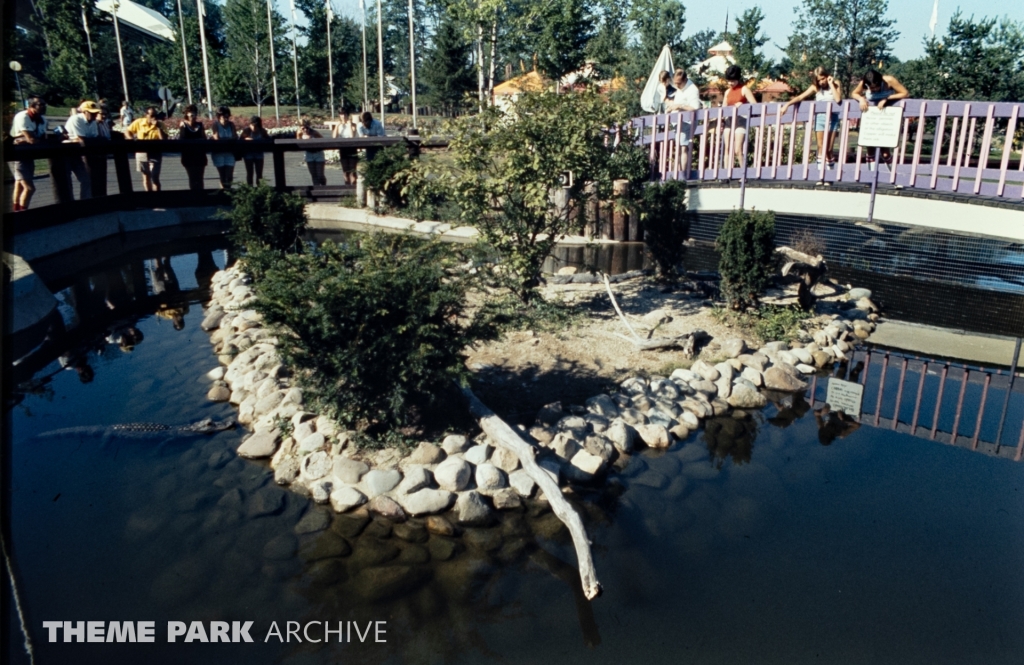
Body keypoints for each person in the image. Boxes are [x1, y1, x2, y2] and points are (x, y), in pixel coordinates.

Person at [781, 66, 844, 170]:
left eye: (823, 78)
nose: (821, 82)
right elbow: (800, 97)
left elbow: (838, 99)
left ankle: (830, 174)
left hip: (833, 118)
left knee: (828, 149)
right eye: (818, 80)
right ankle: (820, 175)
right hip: (820, 118)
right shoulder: (815, 87)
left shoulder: (836, 83)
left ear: (827, 76)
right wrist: (787, 105)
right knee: (820, 147)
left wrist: (831, 83)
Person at [851, 69, 909, 164]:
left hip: (886, 117)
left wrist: (887, 98)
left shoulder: (889, 80)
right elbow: (854, 93)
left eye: (875, 87)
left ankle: (892, 172)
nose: (873, 90)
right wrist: (861, 98)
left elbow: (905, 93)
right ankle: (871, 175)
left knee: (885, 152)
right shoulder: (864, 83)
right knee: (870, 149)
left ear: (880, 81)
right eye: (871, 88)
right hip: (871, 117)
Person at [10, 95, 49, 211]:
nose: (43, 107)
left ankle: (16, 210)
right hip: (17, 154)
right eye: (40, 105)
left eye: (44, 104)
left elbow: (41, 138)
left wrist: (32, 140)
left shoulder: (43, 120)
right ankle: (22, 212)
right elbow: (31, 139)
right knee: (29, 188)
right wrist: (31, 139)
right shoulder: (23, 116)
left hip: (29, 154)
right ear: (31, 106)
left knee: (19, 184)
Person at [720, 65, 757, 170]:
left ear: (738, 79)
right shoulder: (727, 92)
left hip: (741, 120)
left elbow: (754, 104)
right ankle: (726, 174)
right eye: (729, 81)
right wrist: (721, 121)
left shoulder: (744, 89)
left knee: (737, 149)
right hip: (729, 120)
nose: (731, 83)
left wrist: (743, 104)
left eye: (733, 81)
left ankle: (743, 172)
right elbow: (724, 107)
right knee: (727, 148)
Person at [664, 68, 702, 170]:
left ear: (685, 80)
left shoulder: (692, 90)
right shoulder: (680, 89)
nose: (676, 85)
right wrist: (671, 107)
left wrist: (680, 106)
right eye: (675, 83)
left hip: (687, 121)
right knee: (679, 148)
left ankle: (683, 174)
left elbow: (695, 108)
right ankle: (679, 172)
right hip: (677, 121)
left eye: (679, 83)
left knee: (683, 147)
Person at [63, 100, 101, 199]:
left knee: (86, 180)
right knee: (66, 182)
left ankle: (84, 203)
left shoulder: (93, 122)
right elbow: (82, 140)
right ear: (84, 112)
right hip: (66, 153)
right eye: (92, 113)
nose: (95, 115)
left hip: (78, 154)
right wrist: (87, 140)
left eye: (96, 112)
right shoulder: (76, 119)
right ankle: (69, 205)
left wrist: (87, 141)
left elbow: (94, 139)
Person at [125, 106, 168, 192]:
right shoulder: (139, 122)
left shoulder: (160, 124)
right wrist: (131, 139)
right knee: (146, 175)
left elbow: (163, 139)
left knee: (155, 176)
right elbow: (127, 131)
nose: (154, 117)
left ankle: (157, 196)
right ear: (146, 115)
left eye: (155, 115)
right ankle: (148, 196)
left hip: (155, 152)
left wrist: (158, 127)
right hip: (142, 151)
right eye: (152, 115)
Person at [178, 104, 208, 191]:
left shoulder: (200, 125)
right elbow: (182, 138)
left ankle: (201, 196)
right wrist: (182, 127)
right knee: (192, 177)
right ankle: (194, 196)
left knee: (200, 177)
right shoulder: (183, 124)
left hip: (200, 154)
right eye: (191, 115)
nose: (193, 117)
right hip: (188, 155)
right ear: (186, 114)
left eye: (194, 114)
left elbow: (204, 138)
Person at [210, 106, 238, 188]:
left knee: (229, 176)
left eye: (227, 116)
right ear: (219, 116)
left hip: (230, 152)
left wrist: (228, 140)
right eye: (223, 116)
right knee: (222, 176)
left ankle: (229, 191)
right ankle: (223, 192)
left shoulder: (231, 125)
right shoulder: (215, 125)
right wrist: (229, 140)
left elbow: (235, 136)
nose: (226, 118)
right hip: (219, 152)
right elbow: (216, 138)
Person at [239, 116, 269, 186]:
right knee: (249, 173)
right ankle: (249, 188)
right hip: (248, 153)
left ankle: (260, 188)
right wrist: (246, 139)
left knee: (259, 173)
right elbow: (240, 140)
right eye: (252, 125)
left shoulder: (262, 131)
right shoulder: (246, 131)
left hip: (259, 153)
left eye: (256, 126)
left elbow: (268, 139)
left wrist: (263, 141)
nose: (254, 127)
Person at [331, 113, 359, 185]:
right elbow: (334, 137)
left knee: (353, 171)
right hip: (343, 148)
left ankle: (354, 187)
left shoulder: (353, 125)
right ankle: (347, 186)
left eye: (344, 114)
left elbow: (352, 136)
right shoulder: (339, 125)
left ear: (347, 115)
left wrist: (349, 125)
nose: (343, 116)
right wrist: (337, 126)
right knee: (345, 171)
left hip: (352, 148)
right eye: (341, 114)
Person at [297, 119, 326, 186]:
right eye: (303, 128)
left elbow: (323, 140)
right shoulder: (300, 133)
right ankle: (317, 189)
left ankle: (324, 186)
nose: (305, 130)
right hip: (309, 154)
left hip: (318, 153)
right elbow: (298, 144)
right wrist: (299, 136)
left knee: (320, 175)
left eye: (307, 127)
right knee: (314, 175)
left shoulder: (314, 132)